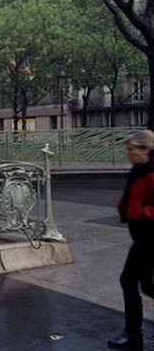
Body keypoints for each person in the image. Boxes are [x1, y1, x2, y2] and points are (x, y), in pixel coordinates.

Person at [108, 129, 154, 350]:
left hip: (150, 237)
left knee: (129, 280)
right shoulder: (140, 170)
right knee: (147, 285)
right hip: (142, 236)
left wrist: (137, 211)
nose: (128, 153)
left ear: (147, 149)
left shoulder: (151, 173)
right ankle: (133, 332)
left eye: (131, 149)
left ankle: (133, 333)